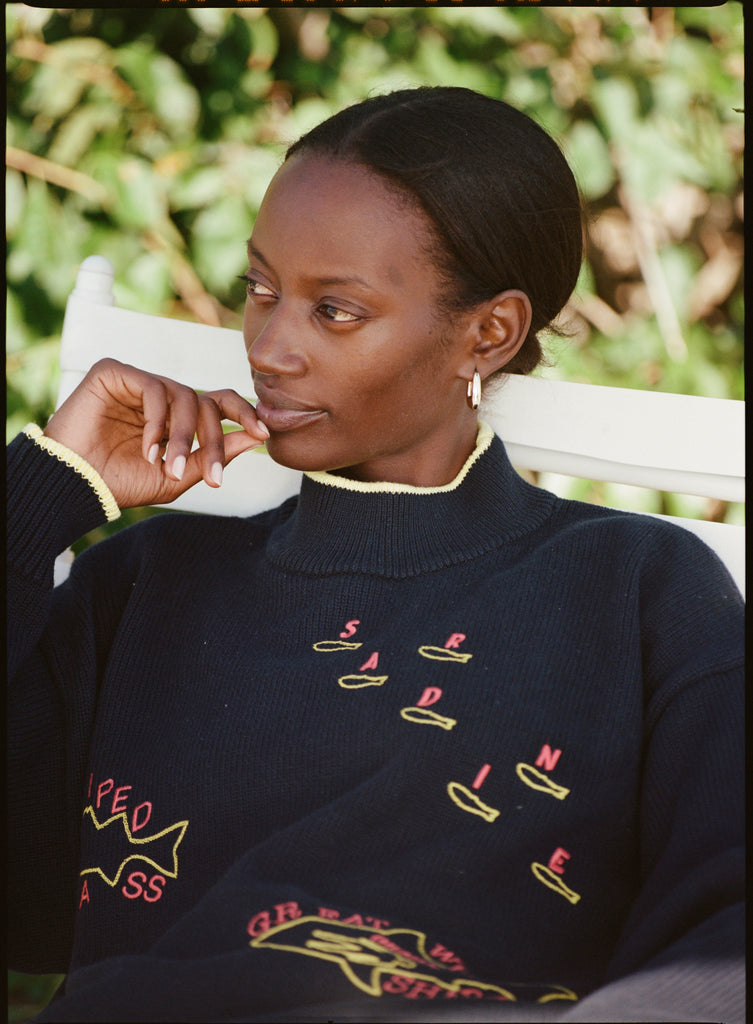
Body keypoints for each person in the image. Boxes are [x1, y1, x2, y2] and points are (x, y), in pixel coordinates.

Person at [8, 87, 743, 1023]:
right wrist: (37, 498)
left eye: (336, 312)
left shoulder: (638, 590)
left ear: (488, 333)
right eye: (260, 290)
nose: (270, 349)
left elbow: (728, 923)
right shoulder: (153, 583)